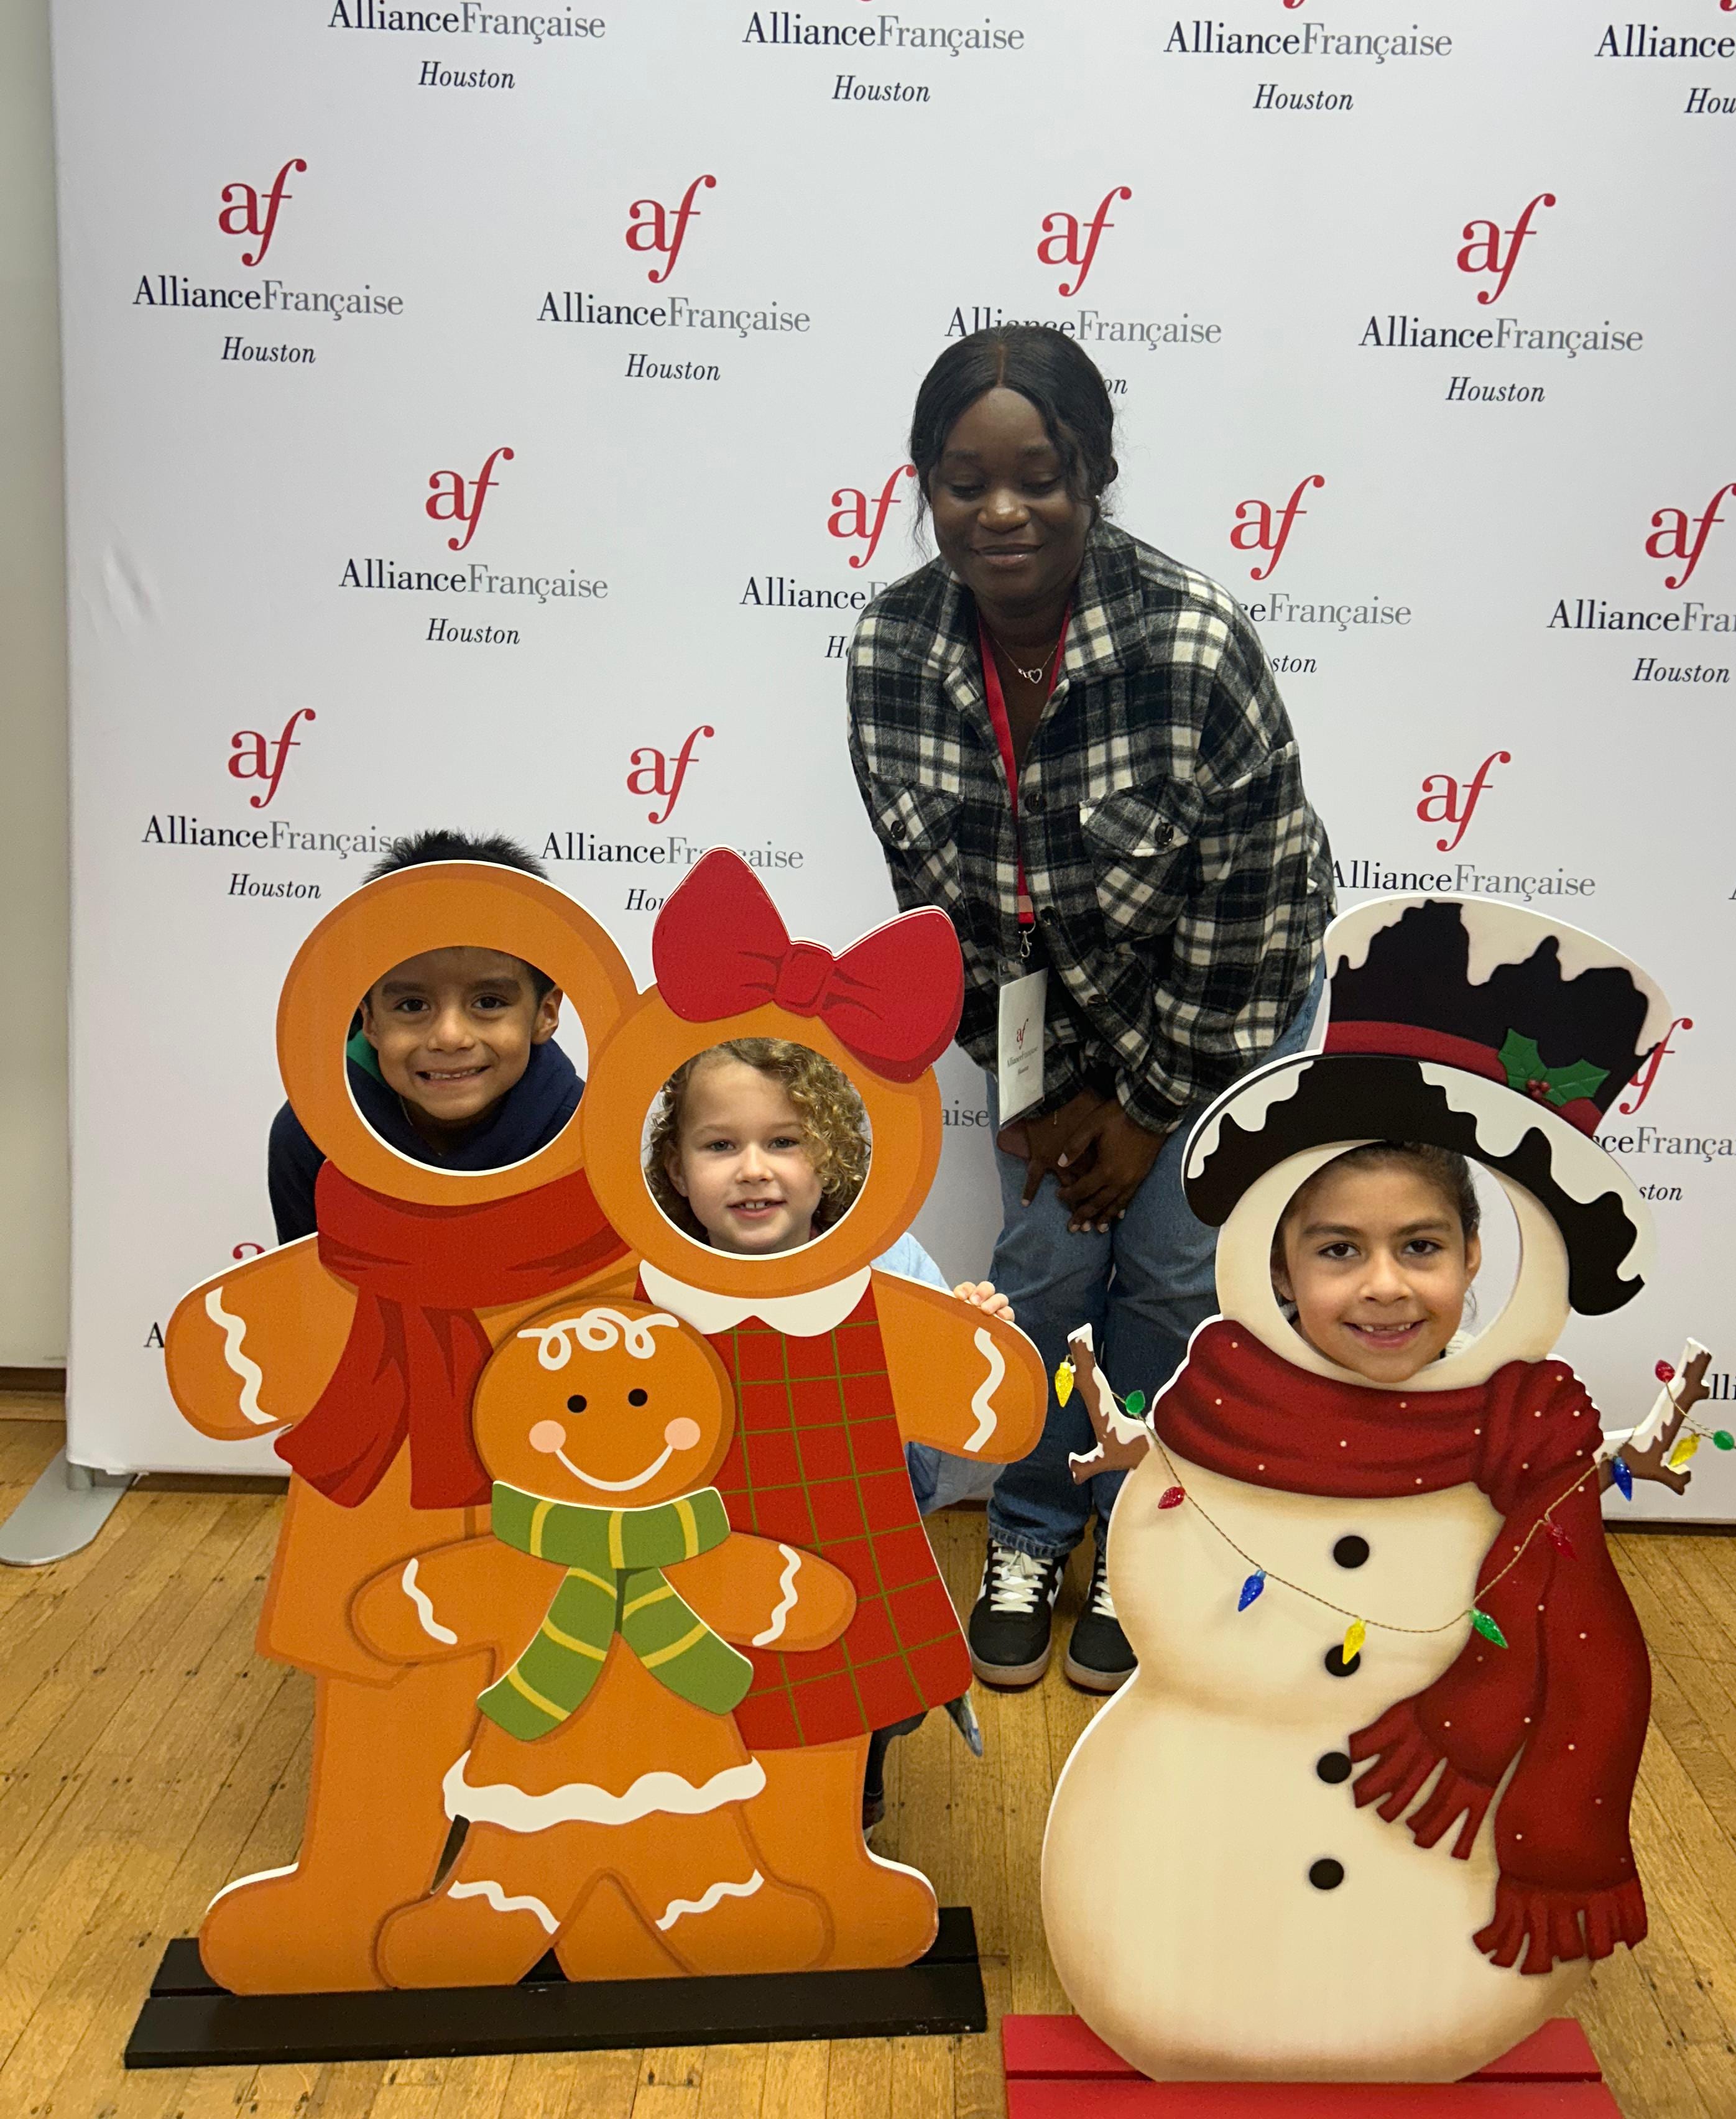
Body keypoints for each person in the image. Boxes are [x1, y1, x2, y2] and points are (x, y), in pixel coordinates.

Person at [847, 324, 1333, 1694]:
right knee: (1046, 1273)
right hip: (1046, 1027)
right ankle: (1029, 1526)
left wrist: (1146, 1113)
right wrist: (1039, 1100)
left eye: (1040, 478)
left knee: (1173, 1276)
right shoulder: (890, 650)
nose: (1001, 512)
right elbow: (941, 911)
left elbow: (1244, 917)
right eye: (964, 482)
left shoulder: (1191, 642)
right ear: (925, 486)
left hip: (1223, 1003)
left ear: (1094, 477)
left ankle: (1138, 1536)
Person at [645, 1033, 1015, 1823]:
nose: (753, 1169)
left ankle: (858, 1780)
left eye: (784, 1142)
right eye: (720, 1145)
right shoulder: (651, 1282)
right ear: (677, 1170)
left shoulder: (890, 1267)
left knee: (871, 1679)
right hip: (698, 1565)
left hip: (851, 1558)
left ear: (831, 1157)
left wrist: (970, 1357)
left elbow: (945, 1463)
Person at [267, 830, 581, 1245]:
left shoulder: (583, 1130)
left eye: (488, 1002)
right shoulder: (311, 1133)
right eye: (412, 1006)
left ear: (546, 1014)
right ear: (369, 1020)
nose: (450, 1037)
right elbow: (311, 1279)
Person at [1269, 1143, 1481, 1382]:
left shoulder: (1504, 1388)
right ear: (1281, 1269)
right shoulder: (1235, 1384)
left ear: (1469, 1256)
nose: (1386, 1289)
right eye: (1340, 1250)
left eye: (1420, 1246)